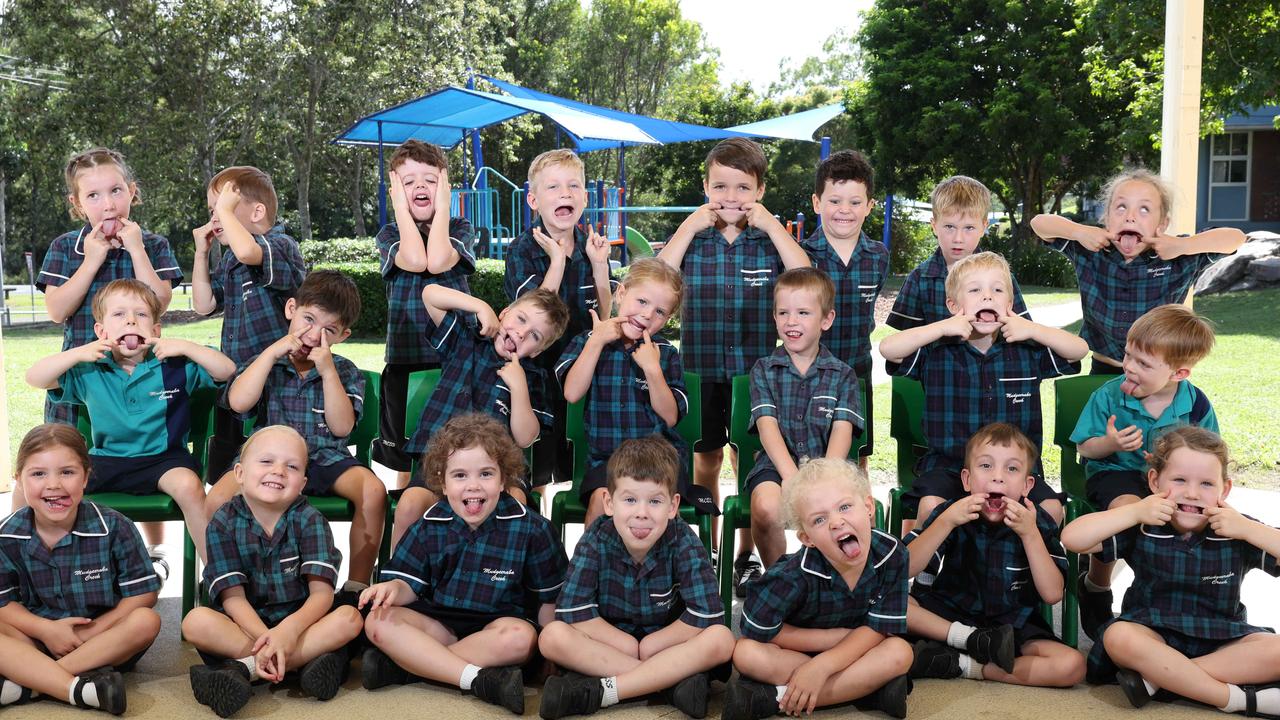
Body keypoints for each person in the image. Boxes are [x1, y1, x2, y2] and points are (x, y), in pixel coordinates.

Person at [657, 137, 810, 591]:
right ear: (705, 187)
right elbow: (656, 279)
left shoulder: (768, 243)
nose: (731, 197)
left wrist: (777, 229)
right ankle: (710, 549)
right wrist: (685, 229)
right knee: (705, 459)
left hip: (756, 377)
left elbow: (806, 280)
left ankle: (745, 555)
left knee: (750, 461)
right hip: (699, 371)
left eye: (743, 188)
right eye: (720, 186)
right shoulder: (694, 241)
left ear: (760, 191)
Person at [1061, 427, 1280, 716]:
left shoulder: (1235, 527)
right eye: (1179, 480)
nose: (1192, 493)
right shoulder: (1144, 524)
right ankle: (1236, 699)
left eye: (1206, 484)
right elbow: (1072, 539)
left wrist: (1249, 528)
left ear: (1224, 489)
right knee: (1119, 637)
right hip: (1152, 634)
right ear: (1154, 481)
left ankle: (1158, 680)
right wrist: (1134, 511)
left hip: (1222, 638)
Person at [360, 414, 567, 715]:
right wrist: (392, 587)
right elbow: (408, 584)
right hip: (440, 624)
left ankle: (409, 668)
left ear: (503, 479)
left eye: (485, 474)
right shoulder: (430, 524)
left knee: (522, 640)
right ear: (442, 483)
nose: (473, 486)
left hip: (498, 625)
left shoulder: (532, 529)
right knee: (377, 622)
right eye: (459, 476)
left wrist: (551, 652)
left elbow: (549, 599)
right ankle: (477, 679)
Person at [25, 279, 235, 563]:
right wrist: (78, 353)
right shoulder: (89, 369)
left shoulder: (175, 364)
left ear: (156, 330)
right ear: (101, 331)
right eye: (119, 314)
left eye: (141, 315)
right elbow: (34, 378)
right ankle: (29, 562)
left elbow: (226, 369)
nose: (131, 322)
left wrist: (185, 346)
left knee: (189, 486)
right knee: (42, 484)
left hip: (165, 459)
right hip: (106, 460)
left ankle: (217, 573)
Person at [205, 270, 385, 597]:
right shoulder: (265, 362)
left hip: (325, 459)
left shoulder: (345, 371)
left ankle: (356, 588)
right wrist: (271, 354)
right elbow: (237, 401)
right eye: (308, 319)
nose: (314, 335)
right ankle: (227, 579)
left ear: (343, 335)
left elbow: (341, 427)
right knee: (216, 498)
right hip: (270, 460)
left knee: (373, 491)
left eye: (328, 330)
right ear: (291, 309)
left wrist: (327, 371)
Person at [880, 252, 1088, 527]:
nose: (987, 297)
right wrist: (943, 327)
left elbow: (1079, 350)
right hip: (951, 466)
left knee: (1051, 508)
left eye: (997, 290)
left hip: (1015, 470)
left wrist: (1033, 329)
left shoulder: (1026, 352)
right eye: (975, 290)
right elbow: (888, 349)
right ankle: (929, 569)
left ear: (1010, 304)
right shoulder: (937, 353)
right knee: (930, 505)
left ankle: (1033, 567)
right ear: (954, 305)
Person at [538, 436, 734, 720]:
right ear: (608, 502)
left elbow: (707, 613)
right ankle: (668, 685)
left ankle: (602, 690)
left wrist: (651, 645)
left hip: (666, 644)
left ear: (673, 506)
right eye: (629, 499)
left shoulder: (683, 540)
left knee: (722, 639)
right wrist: (630, 646)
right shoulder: (596, 538)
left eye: (655, 501)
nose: (641, 513)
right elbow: (571, 609)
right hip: (612, 644)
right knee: (552, 637)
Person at [182, 426, 362, 718]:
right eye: (266, 462)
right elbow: (233, 599)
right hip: (245, 627)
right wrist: (269, 638)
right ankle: (301, 664)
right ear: (239, 473)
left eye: (291, 466)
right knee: (195, 622)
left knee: (350, 619)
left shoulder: (310, 520)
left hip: (301, 624)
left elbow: (321, 595)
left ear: (302, 482)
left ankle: (245, 669)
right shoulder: (222, 523)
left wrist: (287, 632)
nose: (278, 471)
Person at [1070, 304, 1220, 640]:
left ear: (1178, 374)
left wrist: (1176, 463)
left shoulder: (1196, 406)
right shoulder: (1108, 395)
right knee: (1126, 511)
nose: (1129, 368)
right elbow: (1084, 448)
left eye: (1143, 364)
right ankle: (1097, 584)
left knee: (1195, 520)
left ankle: (1176, 596)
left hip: (1171, 483)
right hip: (1113, 471)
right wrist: (1110, 443)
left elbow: (1209, 454)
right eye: (1128, 356)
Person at [726, 458, 912, 720]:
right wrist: (829, 646)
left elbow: (880, 627)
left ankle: (772, 698)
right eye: (820, 520)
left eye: (845, 507)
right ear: (806, 538)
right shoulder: (789, 576)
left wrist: (824, 666)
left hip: (855, 648)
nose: (837, 522)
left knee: (900, 653)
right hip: (801, 651)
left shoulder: (893, 555)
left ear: (868, 506)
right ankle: (867, 691)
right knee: (746, 654)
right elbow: (760, 631)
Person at [0, 424, 163, 716]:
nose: (54, 485)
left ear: (86, 477)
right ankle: (78, 688)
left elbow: (143, 595)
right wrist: (46, 630)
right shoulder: (5, 536)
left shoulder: (116, 527)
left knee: (146, 621)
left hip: (102, 640)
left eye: (67, 472)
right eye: (38, 474)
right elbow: (4, 604)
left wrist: (88, 635)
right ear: (19, 481)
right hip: (37, 639)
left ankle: (32, 682)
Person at [905, 424, 1084, 689]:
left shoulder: (1037, 524)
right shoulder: (950, 513)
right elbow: (903, 568)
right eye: (986, 466)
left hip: (1011, 627)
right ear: (966, 480)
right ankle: (967, 640)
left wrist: (1030, 535)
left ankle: (964, 665)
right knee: (892, 604)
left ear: (1027, 485)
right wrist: (945, 522)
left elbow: (1052, 594)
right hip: (950, 618)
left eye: (1011, 469)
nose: (998, 477)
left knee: (1072, 666)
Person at [393, 284, 568, 545]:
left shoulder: (533, 378)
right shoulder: (465, 341)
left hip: (500, 470)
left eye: (534, 336)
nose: (520, 333)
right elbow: (430, 294)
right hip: (443, 462)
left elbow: (525, 438)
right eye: (520, 319)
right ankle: (399, 578)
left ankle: (500, 579)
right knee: (409, 505)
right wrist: (479, 306)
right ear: (504, 312)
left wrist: (518, 388)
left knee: (515, 503)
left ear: (537, 351)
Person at [1031, 168, 1244, 375]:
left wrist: (1183, 245)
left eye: (1144, 209)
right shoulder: (1089, 249)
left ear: (1163, 223)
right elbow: (1038, 223)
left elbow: (1235, 238)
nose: (1130, 217)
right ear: (1106, 218)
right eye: (1121, 207)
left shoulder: (1179, 255)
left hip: (1158, 376)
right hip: (1104, 370)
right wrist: (1078, 231)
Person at [37, 147, 182, 426]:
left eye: (116, 191)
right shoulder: (65, 247)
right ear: (77, 204)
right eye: (93, 195)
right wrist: (91, 261)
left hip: (139, 377)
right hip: (81, 380)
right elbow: (56, 311)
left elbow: (160, 304)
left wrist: (137, 250)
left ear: (131, 191)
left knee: (136, 454)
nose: (108, 205)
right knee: (72, 457)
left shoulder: (153, 244)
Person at [557, 258, 709, 525]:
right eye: (642, 302)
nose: (648, 314)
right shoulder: (587, 341)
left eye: (660, 312)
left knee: (651, 507)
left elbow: (670, 417)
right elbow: (571, 393)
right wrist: (597, 342)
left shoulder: (666, 355)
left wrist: (652, 370)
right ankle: (597, 566)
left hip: (659, 461)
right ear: (622, 293)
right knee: (600, 505)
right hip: (607, 461)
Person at [504, 148, 614, 490]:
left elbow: (606, 315)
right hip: (537, 376)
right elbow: (535, 315)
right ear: (533, 200)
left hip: (583, 375)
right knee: (534, 471)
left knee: (582, 471)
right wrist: (556, 262)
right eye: (553, 187)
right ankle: (538, 536)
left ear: (584, 197)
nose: (565, 193)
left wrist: (599, 267)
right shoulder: (523, 250)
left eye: (573, 186)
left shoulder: (591, 246)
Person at [191, 165, 306, 484]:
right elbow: (204, 305)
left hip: (277, 385)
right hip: (237, 380)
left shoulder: (280, 244)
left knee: (270, 475)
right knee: (225, 477)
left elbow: (247, 249)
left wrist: (224, 212)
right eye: (213, 210)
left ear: (257, 212)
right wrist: (202, 254)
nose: (216, 217)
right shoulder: (230, 260)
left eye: (226, 207)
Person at [372, 140, 476, 490]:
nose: (420, 187)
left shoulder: (459, 228)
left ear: (445, 187)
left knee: (455, 458)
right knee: (407, 458)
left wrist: (444, 208)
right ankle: (404, 524)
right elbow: (416, 260)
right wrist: (400, 209)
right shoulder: (389, 234)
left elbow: (437, 259)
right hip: (406, 360)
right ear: (395, 192)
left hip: (455, 361)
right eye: (408, 181)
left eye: (431, 180)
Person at [745, 267, 862, 570]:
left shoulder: (843, 374)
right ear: (774, 318)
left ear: (826, 320)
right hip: (777, 464)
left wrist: (822, 481)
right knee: (766, 506)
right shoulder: (764, 370)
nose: (791, 321)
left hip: (829, 465)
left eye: (803, 313)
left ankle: (832, 578)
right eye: (783, 313)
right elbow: (766, 426)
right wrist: (793, 480)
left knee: (849, 510)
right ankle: (779, 577)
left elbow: (842, 432)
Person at [800, 150, 889, 470]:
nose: (844, 210)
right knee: (808, 464)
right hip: (807, 379)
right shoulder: (800, 256)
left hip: (857, 373)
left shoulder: (878, 255)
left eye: (854, 202)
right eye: (835, 201)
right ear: (816, 203)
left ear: (869, 206)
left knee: (856, 464)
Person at [886, 175, 1030, 331]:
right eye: (949, 227)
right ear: (934, 225)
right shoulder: (919, 279)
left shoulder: (1000, 276)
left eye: (969, 228)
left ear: (983, 227)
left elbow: (1023, 331)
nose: (958, 238)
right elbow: (904, 343)